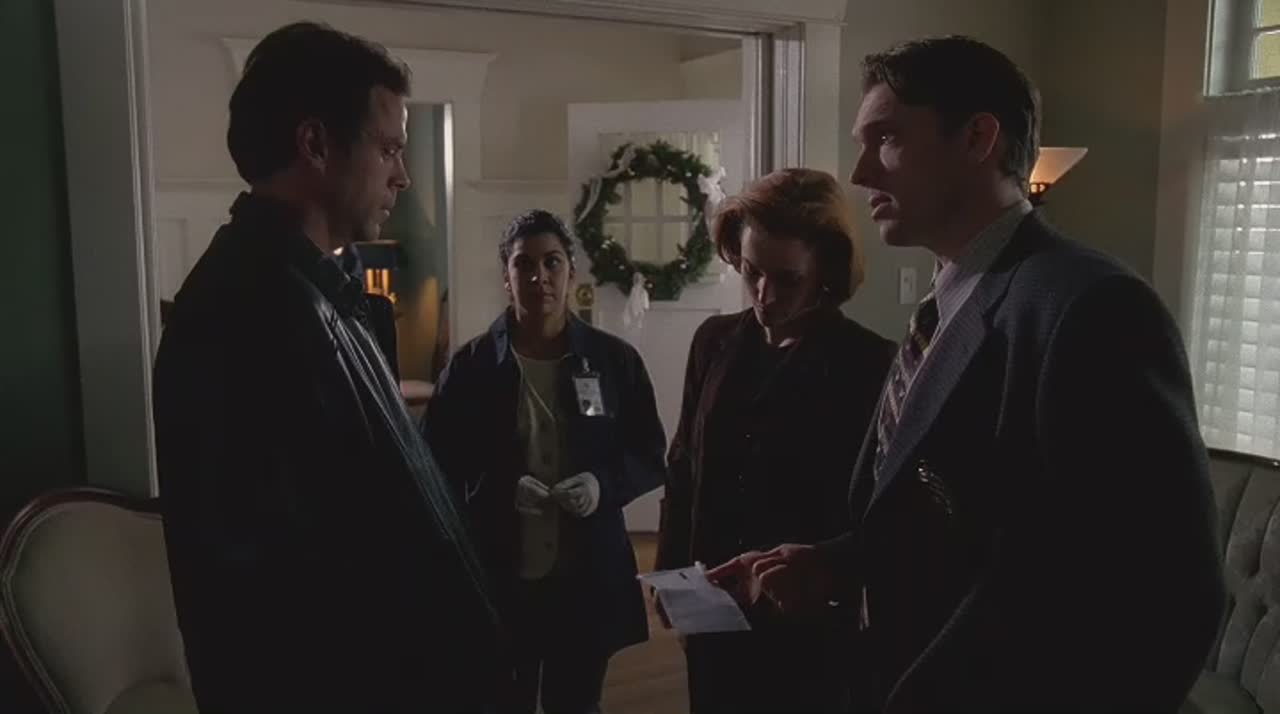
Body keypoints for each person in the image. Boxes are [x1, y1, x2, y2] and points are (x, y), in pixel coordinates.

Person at [708, 36, 1225, 712]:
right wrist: (838, 563)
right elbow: (958, 526)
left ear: (978, 138)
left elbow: (1174, 592)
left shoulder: (1089, 307)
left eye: (887, 138)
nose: (860, 172)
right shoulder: (948, 302)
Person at [153, 22, 502, 713]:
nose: (403, 174)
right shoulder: (244, 313)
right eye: (389, 148)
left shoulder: (314, 292)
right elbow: (272, 593)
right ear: (314, 144)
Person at [655, 168, 895, 713]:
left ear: (825, 270)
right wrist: (673, 578)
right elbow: (684, 464)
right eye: (751, 272)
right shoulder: (713, 341)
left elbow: (874, 508)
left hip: (805, 624)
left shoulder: (868, 363)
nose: (764, 295)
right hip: (713, 606)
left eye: (787, 280)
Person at [422, 209, 666, 714]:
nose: (540, 277)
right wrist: (496, 489)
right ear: (506, 276)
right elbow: (434, 463)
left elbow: (649, 453)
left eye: (552, 262)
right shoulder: (471, 367)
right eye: (524, 264)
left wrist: (602, 485)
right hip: (501, 575)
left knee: (575, 703)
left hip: (586, 578)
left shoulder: (613, 361)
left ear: (571, 272)